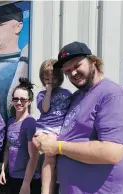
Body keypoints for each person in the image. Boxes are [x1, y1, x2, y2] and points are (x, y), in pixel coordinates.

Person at [33, 41, 123, 194]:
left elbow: (112, 152)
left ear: (93, 61)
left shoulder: (112, 94)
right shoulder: (76, 97)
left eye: (77, 66)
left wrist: (58, 146)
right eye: (67, 71)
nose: (73, 74)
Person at [0, 77, 41, 194]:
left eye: (23, 100)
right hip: (13, 176)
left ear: (29, 101)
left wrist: (26, 184)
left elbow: (34, 156)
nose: (18, 102)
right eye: (16, 99)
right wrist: (3, 169)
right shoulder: (11, 121)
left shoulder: (30, 123)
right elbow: (8, 147)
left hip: (28, 180)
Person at [36, 59, 72, 194]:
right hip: (46, 128)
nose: (50, 80)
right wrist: (48, 92)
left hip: (60, 129)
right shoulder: (41, 95)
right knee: (49, 157)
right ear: (42, 78)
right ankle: (46, 190)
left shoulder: (67, 94)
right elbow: (45, 109)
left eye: (54, 77)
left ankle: (56, 185)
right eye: (47, 78)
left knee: (60, 158)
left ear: (60, 77)